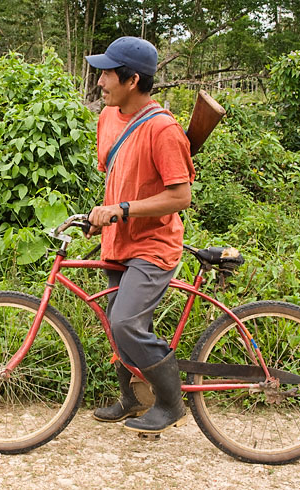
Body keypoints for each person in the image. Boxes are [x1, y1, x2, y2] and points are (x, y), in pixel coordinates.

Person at [84, 36, 195, 434]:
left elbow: (180, 195)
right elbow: (120, 178)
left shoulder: (163, 129)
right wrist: (103, 216)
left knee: (127, 323)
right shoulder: (109, 118)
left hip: (153, 245)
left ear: (131, 80)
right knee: (115, 322)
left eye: (107, 74)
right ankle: (132, 398)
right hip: (118, 242)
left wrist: (124, 210)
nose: (100, 81)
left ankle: (170, 403)